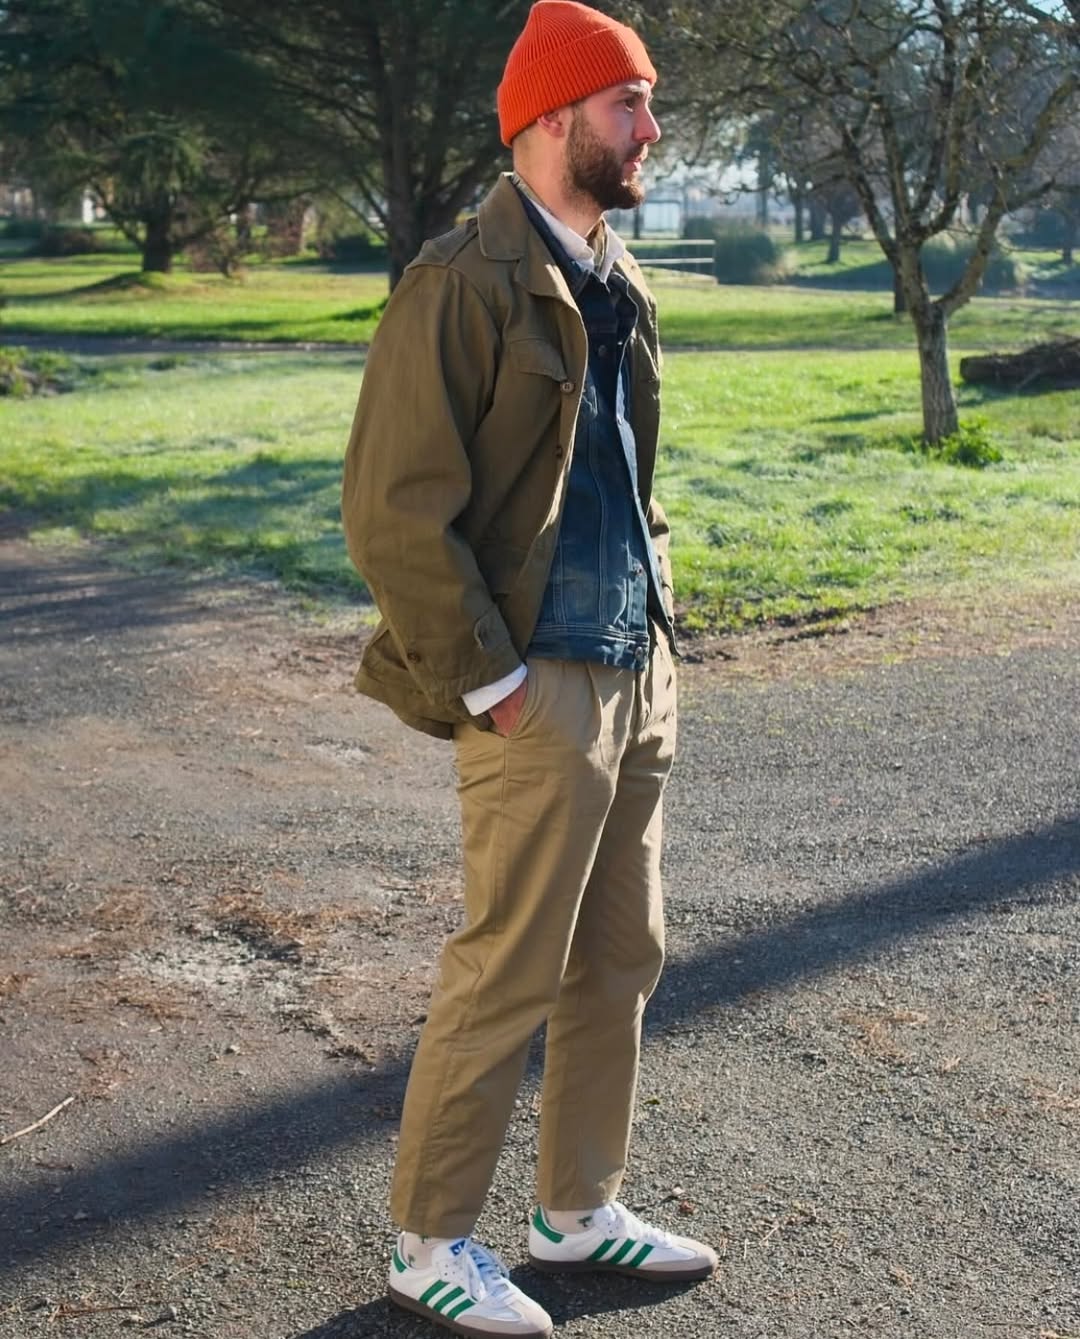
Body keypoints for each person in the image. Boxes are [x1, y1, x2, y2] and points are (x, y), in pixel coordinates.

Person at [341, 3, 718, 1334]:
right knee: (508, 964)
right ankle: (431, 1239)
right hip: (536, 684)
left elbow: (628, 474)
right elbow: (393, 512)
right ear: (554, 117)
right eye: (629, 104)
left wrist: (661, 622)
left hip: (632, 667)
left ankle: (576, 1211)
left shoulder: (619, 276)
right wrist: (490, 683)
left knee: (622, 956)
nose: (652, 128)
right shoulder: (462, 281)